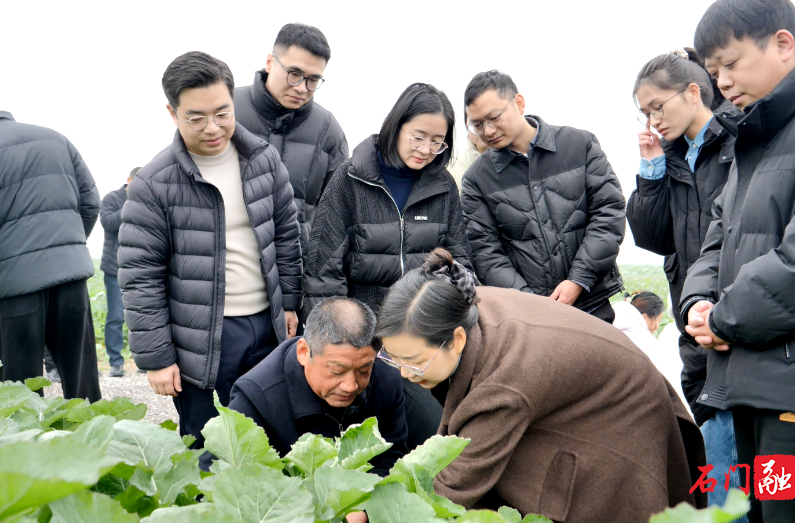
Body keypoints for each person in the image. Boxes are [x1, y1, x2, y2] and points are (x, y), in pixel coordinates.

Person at [374, 249, 706, 522]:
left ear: (456, 339)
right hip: (576, 391)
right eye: (394, 359)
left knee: (602, 503)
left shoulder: (507, 381)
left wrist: (389, 511)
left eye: (414, 361)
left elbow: (458, 480)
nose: (404, 373)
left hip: (622, 416)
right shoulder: (460, 304)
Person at [118, 51, 302, 449]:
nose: (213, 127)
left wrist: (288, 303)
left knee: (275, 440)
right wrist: (157, 357)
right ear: (172, 113)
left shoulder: (263, 160)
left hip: (266, 327)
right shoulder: (154, 183)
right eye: (196, 118)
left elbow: (286, 235)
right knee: (208, 448)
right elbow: (140, 275)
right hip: (201, 337)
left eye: (222, 112)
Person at [303, 83, 472, 451]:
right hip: (367, 341)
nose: (426, 150)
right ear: (397, 126)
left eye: (438, 142)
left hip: (424, 336)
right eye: (419, 137)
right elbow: (323, 268)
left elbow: (461, 260)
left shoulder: (444, 187)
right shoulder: (350, 180)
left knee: (440, 436)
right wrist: (341, 340)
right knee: (397, 440)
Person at [682, 0, 795, 520]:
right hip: (749, 384)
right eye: (713, 72)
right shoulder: (753, 138)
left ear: (783, 44)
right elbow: (718, 235)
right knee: (760, 510)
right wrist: (698, 304)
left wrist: (723, 318)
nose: (722, 82)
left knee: (782, 511)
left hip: (784, 393)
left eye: (731, 63)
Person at [626, 48, 745, 514]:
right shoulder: (671, 158)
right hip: (691, 313)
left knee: (756, 443)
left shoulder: (740, 139)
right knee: (712, 433)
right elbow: (653, 237)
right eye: (645, 112)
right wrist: (652, 168)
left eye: (659, 106)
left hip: (739, 312)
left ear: (694, 92)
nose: (654, 119)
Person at [460, 71, 625, 323]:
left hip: (591, 302)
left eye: (494, 117)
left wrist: (579, 279)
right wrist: (530, 303)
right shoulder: (477, 179)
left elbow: (608, 214)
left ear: (519, 103)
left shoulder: (580, 145)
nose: (488, 130)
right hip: (527, 318)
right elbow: (485, 252)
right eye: (477, 124)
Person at [228, 297, 408, 476]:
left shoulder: (387, 380)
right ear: (304, 352)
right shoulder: (256, 397)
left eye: (364, 371)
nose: (350, 386)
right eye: (337, 371)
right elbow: (229, 477)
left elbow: (391, 458)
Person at [234, 23, 348, 293]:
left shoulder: (329, 131)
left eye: (313, 79)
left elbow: (337, 219)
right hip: (225, 275)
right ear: (270, 62)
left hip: (294, 283)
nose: (302, 87)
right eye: (294, 73)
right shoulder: (226, 111)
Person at [0, 111, 101, 401]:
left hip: (14, 283)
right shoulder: (56, 138)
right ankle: (90, 442)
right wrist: (65, 248)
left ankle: (27, 446)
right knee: (81, 376)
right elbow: (91, 202)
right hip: (70, 274)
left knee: (19, 385)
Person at [99, 166, 141, 377]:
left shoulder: (148, 199)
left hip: (140, 267)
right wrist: (130, 203)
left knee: (143, 316)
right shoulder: (111, 199)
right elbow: (108, 222)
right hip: (115, 267)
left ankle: (143, 361)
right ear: (128, 181)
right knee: (116, 316)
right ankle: (115, 362)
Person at [612, 292, 687, 407]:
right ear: (646, 317)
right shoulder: (644, 341)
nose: (657, 326)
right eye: (658, 320)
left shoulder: (610, 320)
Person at [448, 121, 487, 190]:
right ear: (466, 123)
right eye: (477, 124)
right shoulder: (452, 163)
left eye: (493, 118)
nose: (485, 130)